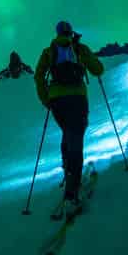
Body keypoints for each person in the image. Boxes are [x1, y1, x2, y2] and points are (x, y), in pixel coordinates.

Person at [34, 20, 104, 216]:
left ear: (57, 33)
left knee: (68, 133)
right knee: (76, 140)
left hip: (57, 101)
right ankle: (72, 193)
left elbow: (38, 76)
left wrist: (46, 98)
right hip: (77, 98)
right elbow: (98, 69)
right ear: (70, 31)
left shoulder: (49, 51)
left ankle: (68, 172)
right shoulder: (79, 48)